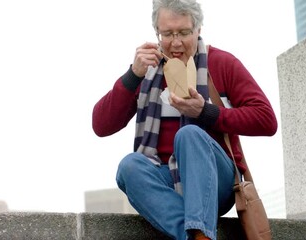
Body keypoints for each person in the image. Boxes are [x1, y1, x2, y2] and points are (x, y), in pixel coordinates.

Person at [92, 0, 277, 239]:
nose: (176, 42)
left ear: (198, 29)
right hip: (165, 180)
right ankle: (197, 236)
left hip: (215, 183)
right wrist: (132, 76)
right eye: (167, 34)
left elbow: (266, 119)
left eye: (184, 32)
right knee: (129, 166)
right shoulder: (145, 70)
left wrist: (205, 113)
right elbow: (101, 125)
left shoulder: (220, 63)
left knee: (189, 134)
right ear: (157, 33)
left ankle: (198, 228)